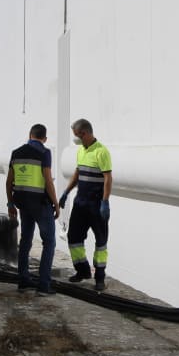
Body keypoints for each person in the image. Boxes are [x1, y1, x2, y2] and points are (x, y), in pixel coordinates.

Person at [6, 124, 60, 296]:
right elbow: (48, 181)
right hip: (41, 204)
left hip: (22, 204)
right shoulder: (45, 152)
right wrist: (56, 203)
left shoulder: (16, 152)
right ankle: (43, 286)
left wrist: (10, 204)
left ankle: (23, 281)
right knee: (49, 242)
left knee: (26, 240)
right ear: (45, 138)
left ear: (30, 135)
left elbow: (9, 181)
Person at [58, 119, 112, 291]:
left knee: (101, 242)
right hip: (80, 203)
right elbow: (78, 172)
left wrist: (105, 201)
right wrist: (66, 192)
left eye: (78, 136)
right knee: (74, 237)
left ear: (85, 133)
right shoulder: (81, 150)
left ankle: (100, 278)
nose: (77, 139)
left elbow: (108, 178)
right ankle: (82, 271)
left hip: (96, 204)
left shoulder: (101, 152)